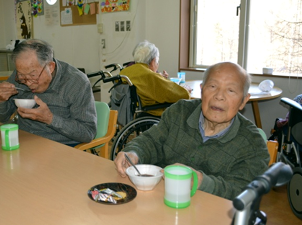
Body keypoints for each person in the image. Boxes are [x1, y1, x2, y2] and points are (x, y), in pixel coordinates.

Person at [114, 62, 270, 200]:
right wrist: (133, 153)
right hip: (160, 201)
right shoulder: (180, 112)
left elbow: (243, 190)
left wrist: (200, 181)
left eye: (230, 90)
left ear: (244, 100)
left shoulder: (254, 144)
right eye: (213, 86)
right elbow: (151, 141)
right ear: (202, 91)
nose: (219, 96)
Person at [0, 39, 97, 147]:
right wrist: (0, 100)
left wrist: (50, 119)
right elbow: (0, 118)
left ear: (50, 67)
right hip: (23, 140)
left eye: (33, 76)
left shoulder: (76, 83)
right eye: (22, 76)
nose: (28, 83)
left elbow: (88, 133)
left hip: (60, 146)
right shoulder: (20, 76)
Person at [118, 40, 191, 117]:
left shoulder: (125, 72)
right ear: (153, 61)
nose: (157, 64)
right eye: (157, 61)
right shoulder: (149, 75)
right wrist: (185, 89)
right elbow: (181, 95)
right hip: (152, 112)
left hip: (130, 112)